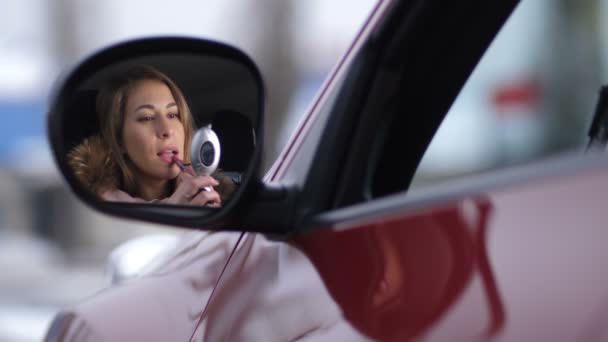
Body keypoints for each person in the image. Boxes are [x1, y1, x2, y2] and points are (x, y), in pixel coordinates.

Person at [68, 65, 234, 206]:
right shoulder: (94, 206)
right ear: (119, 140)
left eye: (173, 115)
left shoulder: (218, 199)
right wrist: (173, 215)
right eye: (146, 117)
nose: (167, 130)